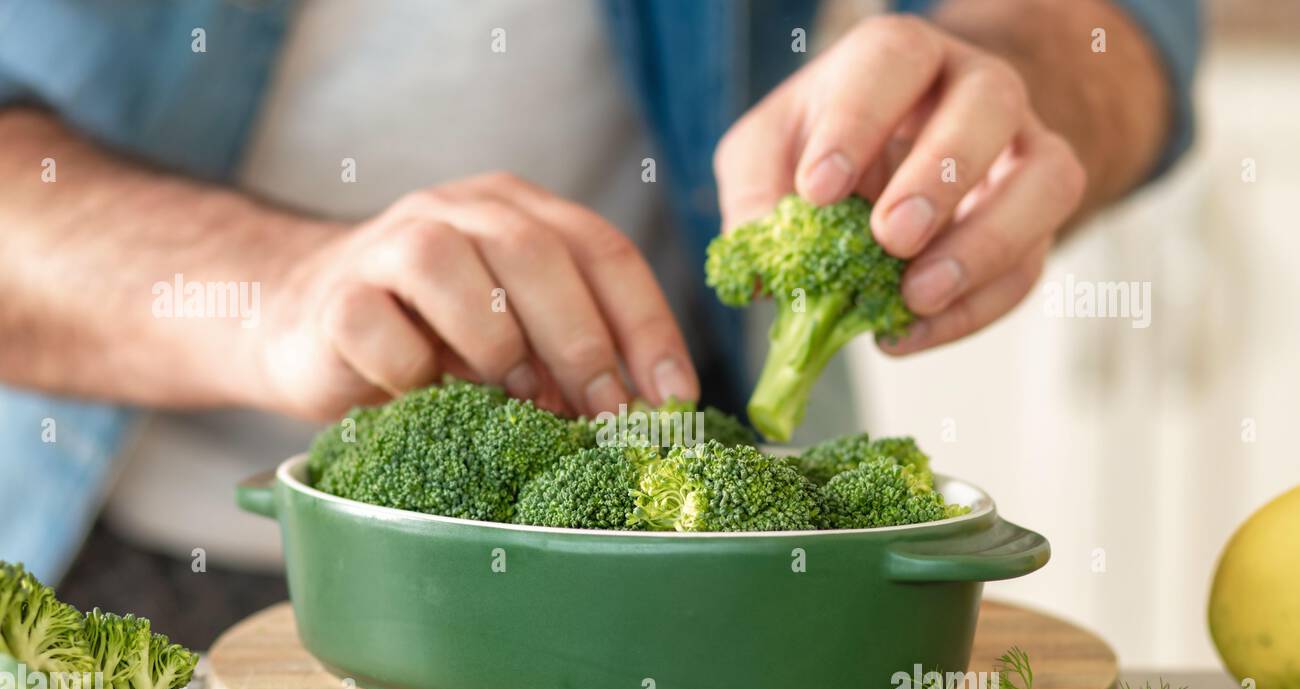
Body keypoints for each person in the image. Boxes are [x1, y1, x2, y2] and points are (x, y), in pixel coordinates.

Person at [0, 0, 1199, 645]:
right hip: (81, 572)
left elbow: (1117, 21)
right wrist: (270, 283)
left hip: (696, 571)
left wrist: (999, 91)